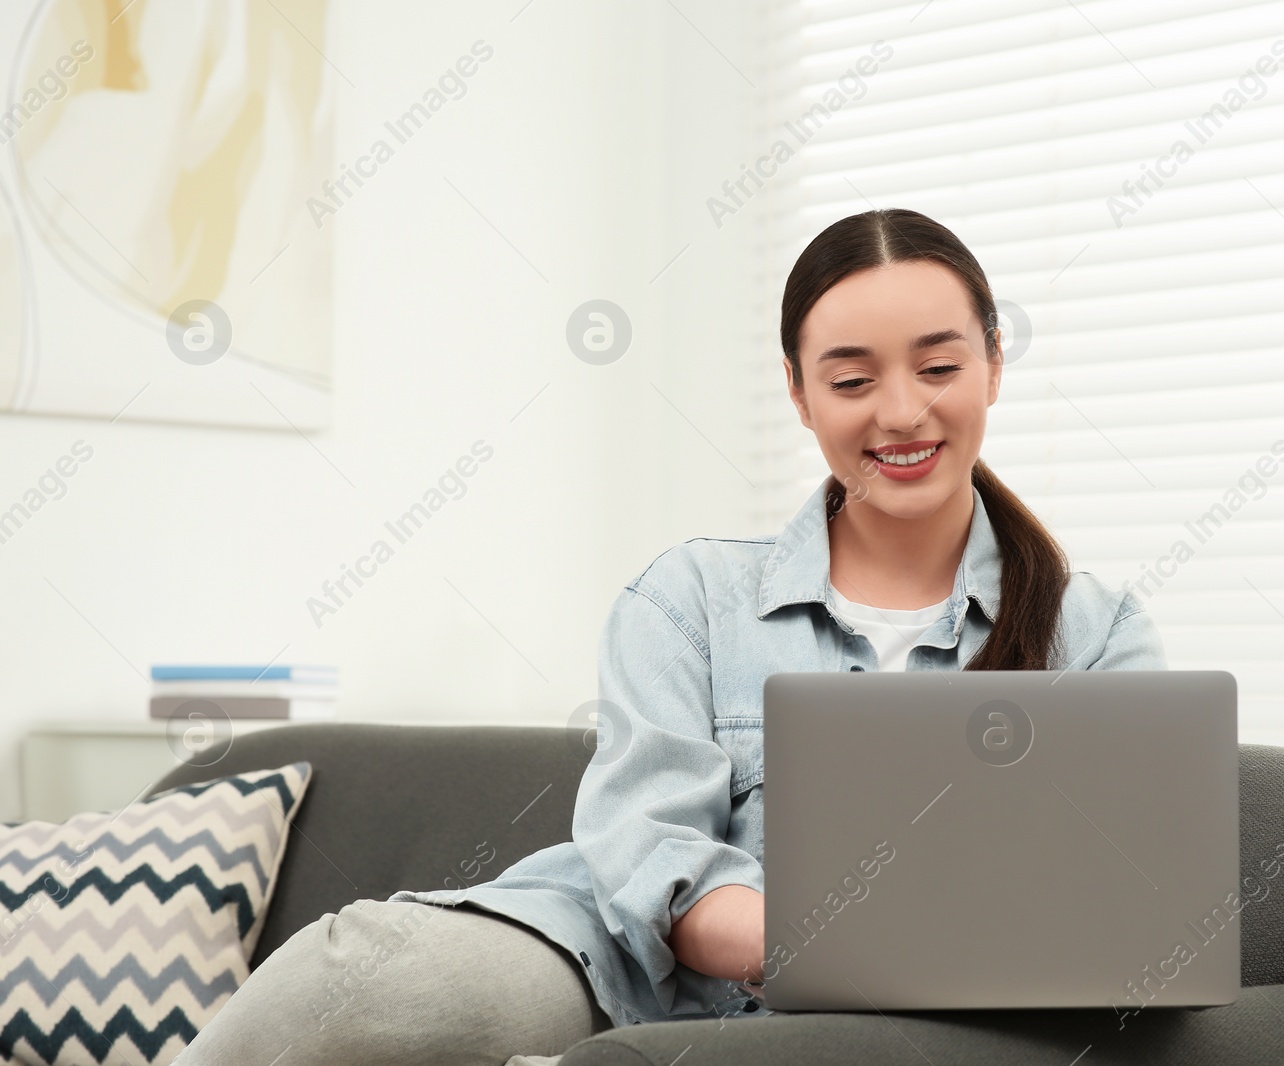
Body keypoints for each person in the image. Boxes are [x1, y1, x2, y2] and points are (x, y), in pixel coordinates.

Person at [171, 208, 1167, 1066]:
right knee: (363, 978)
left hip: (912, 1013)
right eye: (851, 379)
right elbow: (652, 857)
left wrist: (901, 957)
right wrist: (859, 939)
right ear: (798, 392)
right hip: (616, 966)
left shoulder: (1096, 633)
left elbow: (1125, 895)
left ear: (993, 363)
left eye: (939, 366)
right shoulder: (689, 596)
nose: (900, 411)